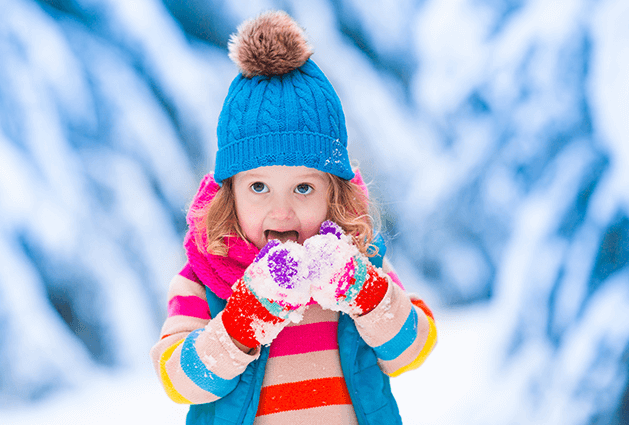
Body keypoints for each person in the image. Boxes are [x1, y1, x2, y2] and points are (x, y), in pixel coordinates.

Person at [150, 10, 437, 425]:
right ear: (229, 194)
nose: (281, 211)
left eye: (303, 188)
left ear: (333, 194)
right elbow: (178, 381)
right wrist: (240, 321)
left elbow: (412, 349)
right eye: (258, 188)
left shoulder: (357, 264)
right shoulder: (205, 278)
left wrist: (366, 294)